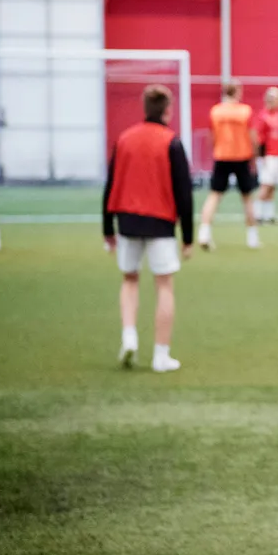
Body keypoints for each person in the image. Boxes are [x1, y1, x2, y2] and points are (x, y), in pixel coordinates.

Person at [103, 85, 194, 373]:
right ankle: (160, 355)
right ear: (168, 110)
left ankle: (129, 336)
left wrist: (107, 227)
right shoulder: (172, 142)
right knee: (164, 285)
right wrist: (188, 237)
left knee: (129, 279)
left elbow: (110, 184)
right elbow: (184, 192)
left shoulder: (124, 138)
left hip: (127, 220)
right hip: (160, 222)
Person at [197, 81, 259, 249]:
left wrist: (215, 150)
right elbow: (253, 136)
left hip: (222, 156)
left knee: (214, 195)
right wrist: (255, 158)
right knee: (247, 197)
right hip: (242, 156)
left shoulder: (216, 111)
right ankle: (252, 238)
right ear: (237, 92)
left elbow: (211, 136)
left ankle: (204, 232)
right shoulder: (245, 111)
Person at [253, 87, 278, 224]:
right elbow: (258, 139)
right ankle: (257, 214)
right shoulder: (263, 117)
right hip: (267, 156)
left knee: (273, 186)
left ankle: (269, 215)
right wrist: (260, 157)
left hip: (277, 155)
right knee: (265, 185)